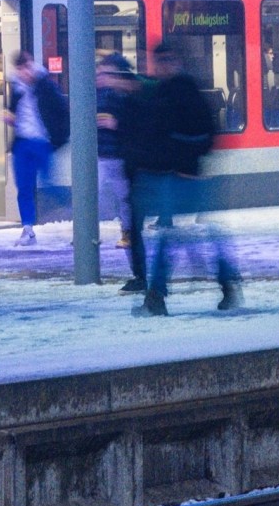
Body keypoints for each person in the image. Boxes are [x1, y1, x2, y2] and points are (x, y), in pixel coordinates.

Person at [127, 42, 240, 316]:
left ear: (175, 62)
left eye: (165, 61)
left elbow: (202, 135)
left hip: (183, 175)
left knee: (177, 237)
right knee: (192, 235)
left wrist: (182, 160)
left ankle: (158, 296)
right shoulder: (164, 92)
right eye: (158, 62)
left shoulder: (184, 93)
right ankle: (225, 283)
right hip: (172, 175)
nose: (161, 67)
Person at [3, 50, 69, 246]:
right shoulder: (16, 88)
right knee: (24, 187)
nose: (25, 72)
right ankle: (27, 229)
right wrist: (9, 118)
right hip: (22, 143)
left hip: (42, 141)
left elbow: (62, 111)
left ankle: (77, 221)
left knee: (50, 184)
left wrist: (58, 140)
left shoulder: (46, 86)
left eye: (27, 67)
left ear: (32, 65)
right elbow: (14, 113)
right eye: (21, 69)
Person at [96, 53, 145, 292]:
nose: (101, 79)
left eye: (105, 74)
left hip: (128, 162)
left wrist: (116, 124)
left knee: (131, 217)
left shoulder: (131, 97)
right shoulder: (104, 96)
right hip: (117, 160)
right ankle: (141, 275)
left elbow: (139, 129)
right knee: (130, 219)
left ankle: (144, 277)